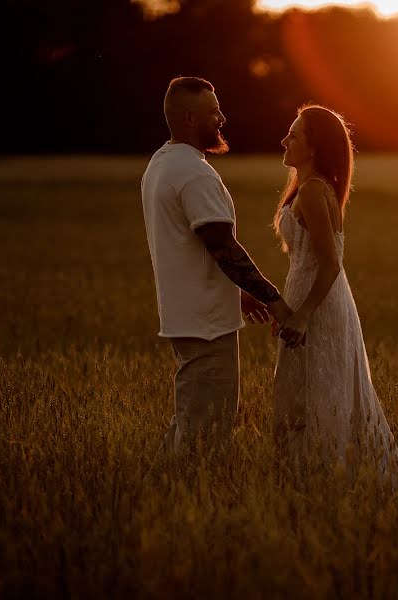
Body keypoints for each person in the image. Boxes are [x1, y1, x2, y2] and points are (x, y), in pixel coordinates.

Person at [141, 76, 292, 456]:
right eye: (213, 112)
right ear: (190, 118)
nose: (222, 118)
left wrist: (236, 292)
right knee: (205, 435)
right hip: (206, 325)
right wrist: (272, 298)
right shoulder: (195, 174)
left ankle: (158, 492)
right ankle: (185, 501)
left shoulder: (162, 162)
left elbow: (194, 247)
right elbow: (222, 246)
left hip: (187, 316)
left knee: (189, 421)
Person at [272, 105, 398, 489]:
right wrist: (289, 311)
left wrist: (301, 316)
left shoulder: (315, 191)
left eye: (294, 135)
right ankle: (314, 485)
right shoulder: (310, 187)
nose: (285, 140)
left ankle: (324, 485)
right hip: (311, 302)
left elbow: (329, 264)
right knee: (307, 394)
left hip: (320, 307)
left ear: (314, 147)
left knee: (318, 397)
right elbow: (307, 263)